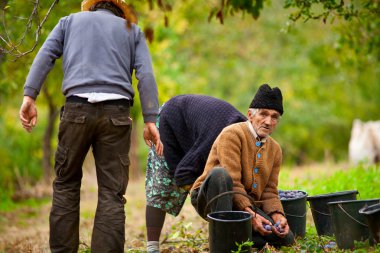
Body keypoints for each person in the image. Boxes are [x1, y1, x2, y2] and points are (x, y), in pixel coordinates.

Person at [19, 1, 162, 252]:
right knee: (111, 193)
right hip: (116, 115)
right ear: (121, 10)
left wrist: (29, 96)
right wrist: (150, 119)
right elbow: (146, 75)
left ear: (93, 6)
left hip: (76, 111)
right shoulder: (132, 31)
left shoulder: (69, 22)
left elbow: (45, 55)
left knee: (66, 185)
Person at [190, 84, 294, 249]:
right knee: (220, 174)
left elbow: (269, 191)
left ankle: (234, 237)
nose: (268, 121)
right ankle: (223, 245)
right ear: (250, 115)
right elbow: (233, 182)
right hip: (212, 195)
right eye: (263, 114)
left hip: (245, 202)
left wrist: (277, 215)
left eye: (274, 117)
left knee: (286, 238)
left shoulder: (275, 150)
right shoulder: (232, 134)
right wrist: (251, 215)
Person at [145, 94, 247, 253]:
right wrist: (203, 195)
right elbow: (184, 174)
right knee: (161, 187)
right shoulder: (216, 140)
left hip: (200, 126)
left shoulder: (248, 140)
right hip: (170, 119)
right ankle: (152, 247)